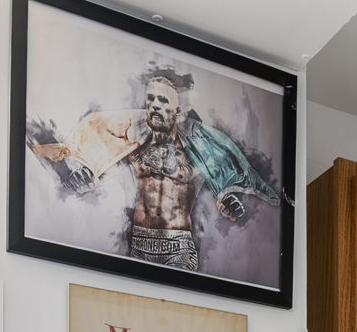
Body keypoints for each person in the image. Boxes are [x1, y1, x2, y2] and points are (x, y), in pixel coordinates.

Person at [31, 69, 280, 273]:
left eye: (163, 101)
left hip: (179, 247)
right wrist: (83, 177)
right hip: (139, 242)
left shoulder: (198, 152)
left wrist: (228, 201)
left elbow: (222, 184)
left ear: (178, 112)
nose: (154, 106)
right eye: (150, 99)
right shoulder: (133, 145)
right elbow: (98, 165)